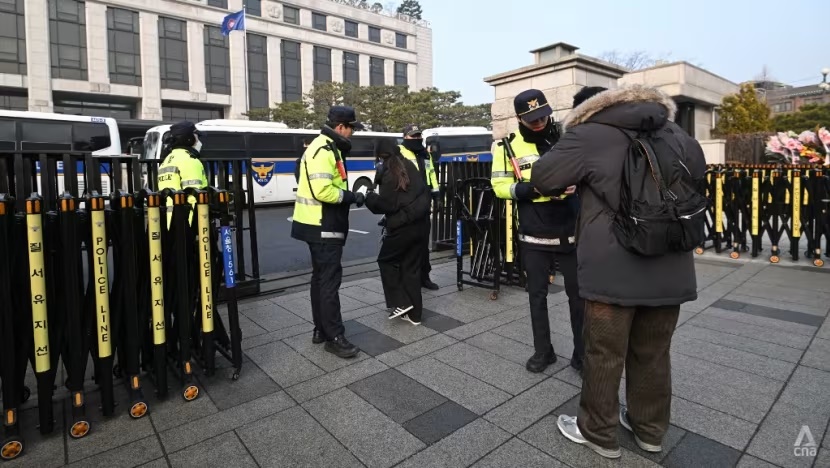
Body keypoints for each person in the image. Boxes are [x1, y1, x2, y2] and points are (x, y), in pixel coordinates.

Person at [530, 85, 706, 459]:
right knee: (655, 353)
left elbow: (543, 178)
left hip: (613, 267)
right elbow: (698, 180)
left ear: (587, 109)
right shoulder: (679, 135)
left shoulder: (588, 134)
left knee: (604, 353)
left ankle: (597, 431)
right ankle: (650, 430)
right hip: (672, 266)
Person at [490, 89, 584, 375]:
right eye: (532, 119)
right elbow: (499, 187)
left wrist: (576, 184)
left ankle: (582, 355)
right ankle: (544, 351)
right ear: (519, 118)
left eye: (543, 116)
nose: (539, 122)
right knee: (537, 296)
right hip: (535, 231)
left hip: (571, 227)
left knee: (579, 296)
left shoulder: (567, 139)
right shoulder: (506, 146)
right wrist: (533, 190)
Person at [292, 106, 366, 359]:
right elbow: (322, 191)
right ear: (340, 127)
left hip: (317, 224)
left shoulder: (325, 147)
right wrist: (352, 196)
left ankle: (321, 329)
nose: (353, 133)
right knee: (329, 283)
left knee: (320, 280)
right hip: (323, 225)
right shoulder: (322, 150)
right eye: (352, 127)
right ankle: (334, 336)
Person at [365, 139, 431, 325]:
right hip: (420, 225)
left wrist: (369, 197)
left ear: (380, 155)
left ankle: (402, 302)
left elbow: (387, 204)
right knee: (411, 268)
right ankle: (415, 315)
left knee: (386, 261)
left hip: (402, 228)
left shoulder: (389, 170)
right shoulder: (409, 165)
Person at [398, 124, 441, 291]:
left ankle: (425, 276)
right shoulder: (399, 153)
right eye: (412, 136)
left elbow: (432, 176)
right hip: (407, 205)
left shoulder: (425, 155)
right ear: (405, 137)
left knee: (423, 243)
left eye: (418, 136)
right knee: (408, 244)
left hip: (424, 204)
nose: (416, 139)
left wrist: (437, 196)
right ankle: (409, 278)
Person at [157, 121, 208, 227]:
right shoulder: (189, 160)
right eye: (196, 136)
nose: (198, 140)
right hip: (187, 222)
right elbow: (194, 196)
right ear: (188, 138)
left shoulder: (167, 160)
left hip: (169, 220)